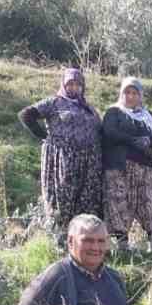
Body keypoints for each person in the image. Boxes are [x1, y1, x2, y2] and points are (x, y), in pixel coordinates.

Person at [18, 67, 104, 240]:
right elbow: (26, 115)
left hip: (89, 163)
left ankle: (82, 240)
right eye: (70, 84)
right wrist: (46, 137)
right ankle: (60, 240)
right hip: (63, 161)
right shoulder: (54, 103)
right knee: (62, 200)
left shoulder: (89, 109)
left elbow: (100, 131)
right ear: (64, 85)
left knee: (86, 202)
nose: (74, 88)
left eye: (78, 84)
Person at [100, 77, 152, 256]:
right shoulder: (114, 113)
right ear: (121, 94)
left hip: (145, 170)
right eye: (127, 92)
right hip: (120, 169)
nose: (130, 97)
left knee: (150, 204)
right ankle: (122, 246)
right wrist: (133, 141)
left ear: (140, 96)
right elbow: (110, 132)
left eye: (134, 93)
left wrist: (150, 140)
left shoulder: (148, 116)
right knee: (119, 204)